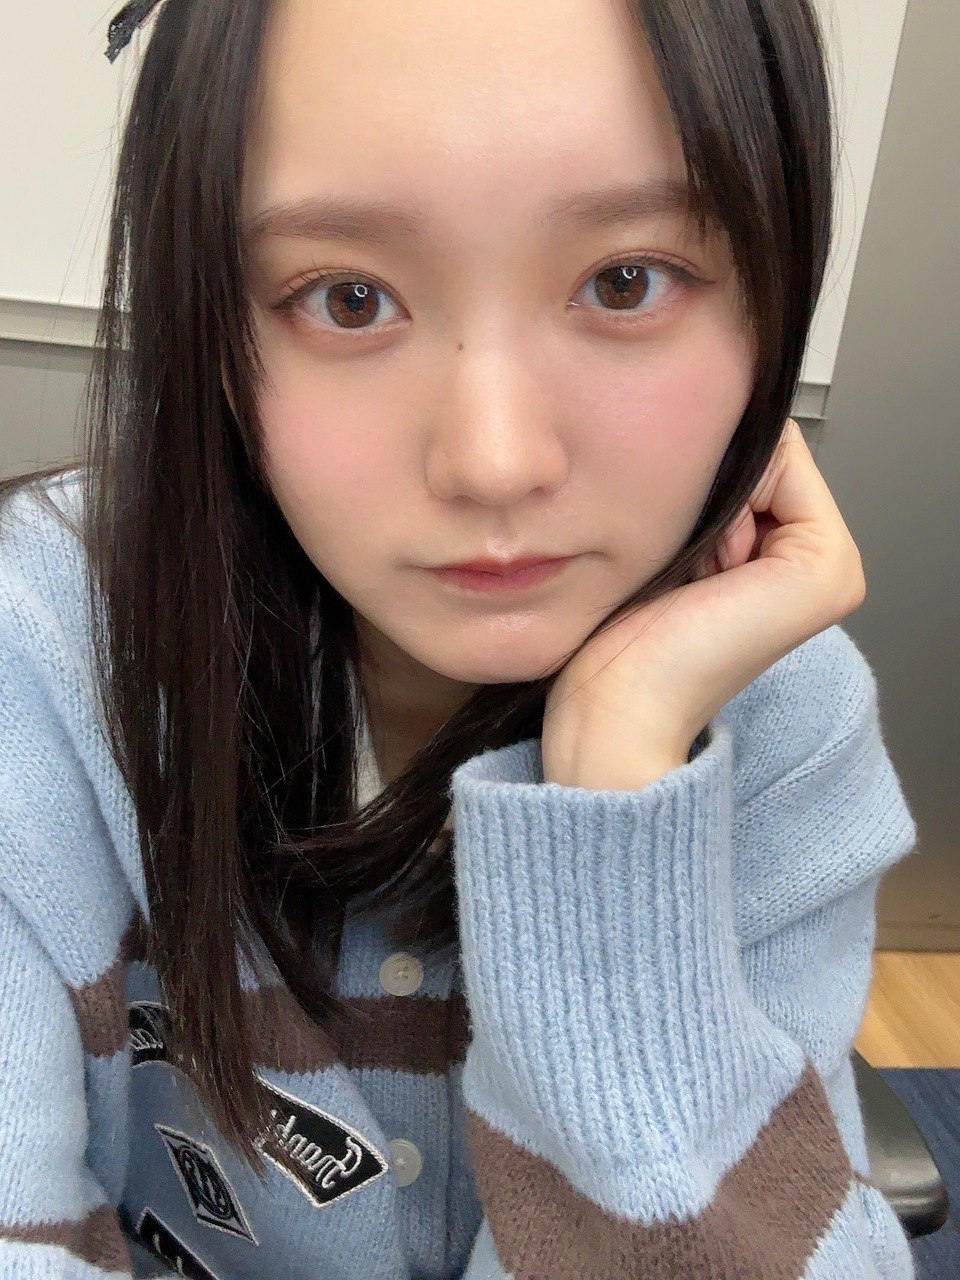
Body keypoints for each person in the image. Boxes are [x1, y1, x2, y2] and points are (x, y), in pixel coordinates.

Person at [0, 1, 919, 1277]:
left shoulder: (777, 708)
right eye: (349, 298)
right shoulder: (38, 652)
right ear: (209, 319)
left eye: (626, 280)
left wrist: (617, 791)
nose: (495, 460)